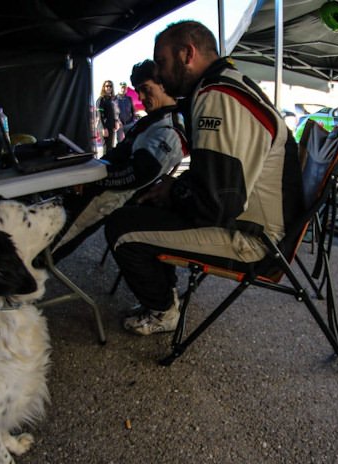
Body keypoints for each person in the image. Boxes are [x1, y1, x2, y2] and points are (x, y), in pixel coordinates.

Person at [104, 20, 303, 336]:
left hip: (255, 241)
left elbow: (216, 204)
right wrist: (174, 188)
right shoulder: (227, 85)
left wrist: (173, 191)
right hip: (259, 225)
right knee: (146, 210)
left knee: (121, 228)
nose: (158, 73)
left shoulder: (217, 96)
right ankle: (165, 297)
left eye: (162, 62)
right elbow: (216, 187)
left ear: (187, 54)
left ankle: (163, 313)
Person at [51, 60, 187, 262]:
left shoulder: (168, 129)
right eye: (138, 90)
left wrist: (92, 179)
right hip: (100, 185)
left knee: (50, 244)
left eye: (145, 89)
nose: (140, 97)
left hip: (107, 198)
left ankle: (24, 277)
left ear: (164, 85)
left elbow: (138, 174)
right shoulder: (154, 119)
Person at [96, 80, 118, 151]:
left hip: (111, 126)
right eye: (107, 86)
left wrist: (114, 124)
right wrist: (103, 128)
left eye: (110, 86)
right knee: (106, 149)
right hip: (104, 127)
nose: (109, 88)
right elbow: (100, 114)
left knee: (110, 148)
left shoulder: (111, 100)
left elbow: (112, 113)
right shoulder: (101, 99)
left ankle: (109, 162)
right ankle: (103, 162)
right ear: (104, 88)